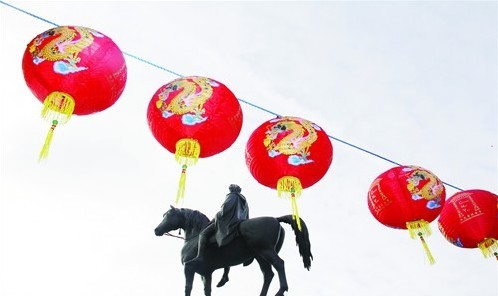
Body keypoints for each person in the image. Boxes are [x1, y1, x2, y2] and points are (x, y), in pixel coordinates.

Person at [186, 184, 249, 266]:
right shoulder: (243, 200)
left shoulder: (232, 196)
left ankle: (199, 256)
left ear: (232, 190)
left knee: (203, 234)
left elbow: (225, 210)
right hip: (240, 221)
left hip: (228, 221)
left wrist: (215, 217)